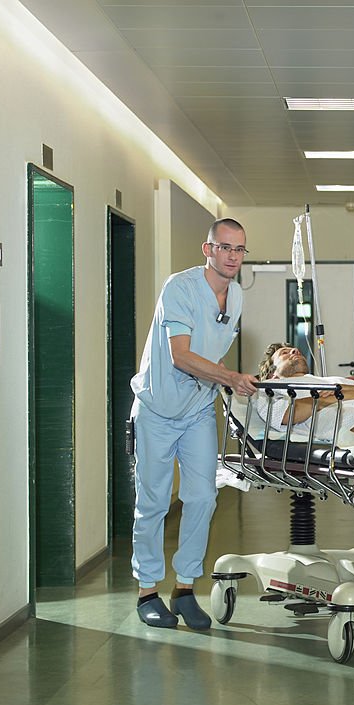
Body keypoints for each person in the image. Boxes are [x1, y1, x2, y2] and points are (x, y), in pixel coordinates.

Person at [130, 218, 258, 630]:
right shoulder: (179, 289)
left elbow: (211, 351)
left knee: (202, 497)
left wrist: (230, 379)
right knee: (152, 502)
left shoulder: (236, 296)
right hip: (157, 409)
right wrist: (232, 379)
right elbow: (181, 356)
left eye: (239, 250)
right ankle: (147, 590)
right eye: (225, 248)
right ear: (208, 250)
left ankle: (185, 588)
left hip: (198, 408)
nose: (233, 257)